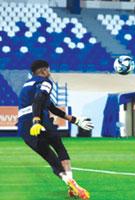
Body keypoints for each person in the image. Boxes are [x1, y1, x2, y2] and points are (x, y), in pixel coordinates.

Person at [17, 60, 93, 199]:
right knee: (59, 148)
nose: (49, 73)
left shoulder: (26, 86)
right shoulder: (45, 82)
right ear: (43, 71)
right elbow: (39, 100)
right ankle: (71, 181)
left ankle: (69, 183)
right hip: (39, 120)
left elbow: (50, 106)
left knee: (49, 157)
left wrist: (74, 119)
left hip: (23, 126)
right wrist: (37, 120)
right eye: (48, 70)